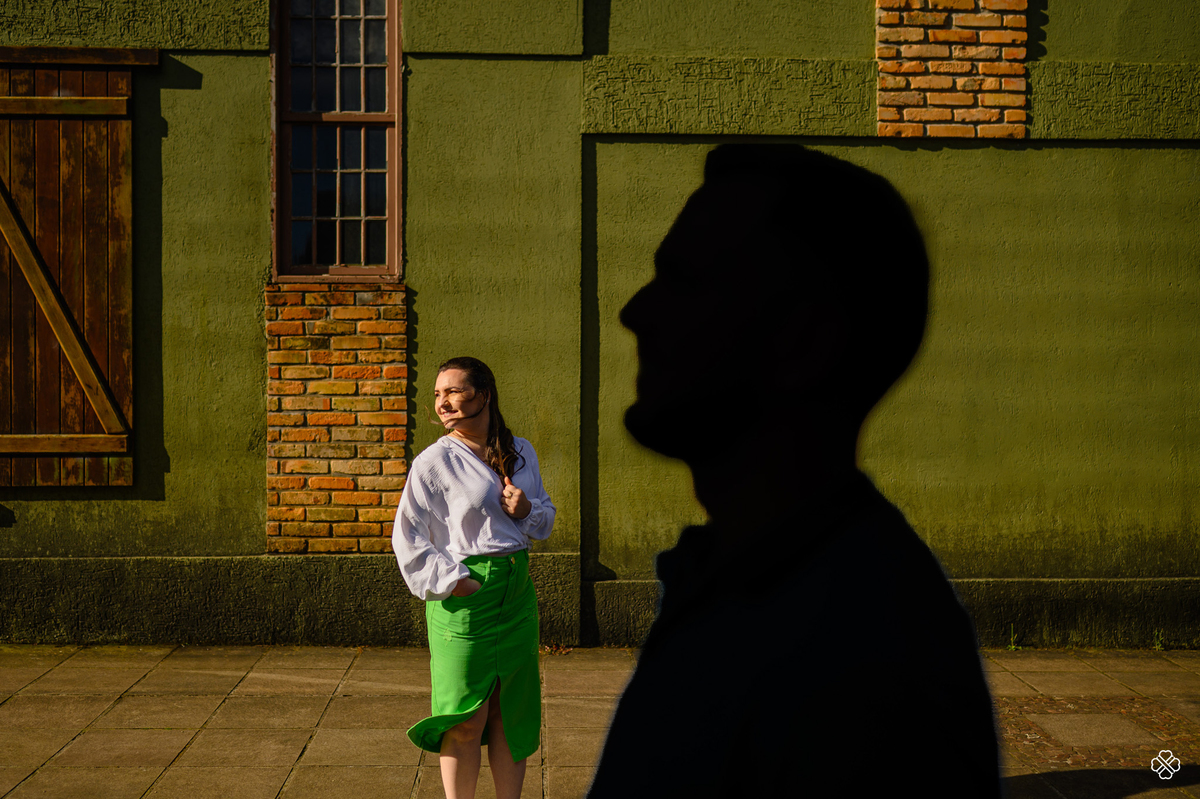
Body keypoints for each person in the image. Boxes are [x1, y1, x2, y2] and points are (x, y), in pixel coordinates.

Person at [586, 145, 1003, 797]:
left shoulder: (859, 666)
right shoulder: (750, 579)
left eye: (686, 280)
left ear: (804, 340)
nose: (636, 311)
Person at [392, 356, 555, 799]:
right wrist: (453, 581)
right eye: (438, 395)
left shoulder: (519, 451)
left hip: (517, 592)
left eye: (454, 391)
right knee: (466, 717)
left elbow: (543, 520)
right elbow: (406, 535)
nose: (443, 402)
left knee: (510, 712)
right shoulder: (434, 461)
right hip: (465, 593)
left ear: (483, 394)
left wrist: (528, 510)